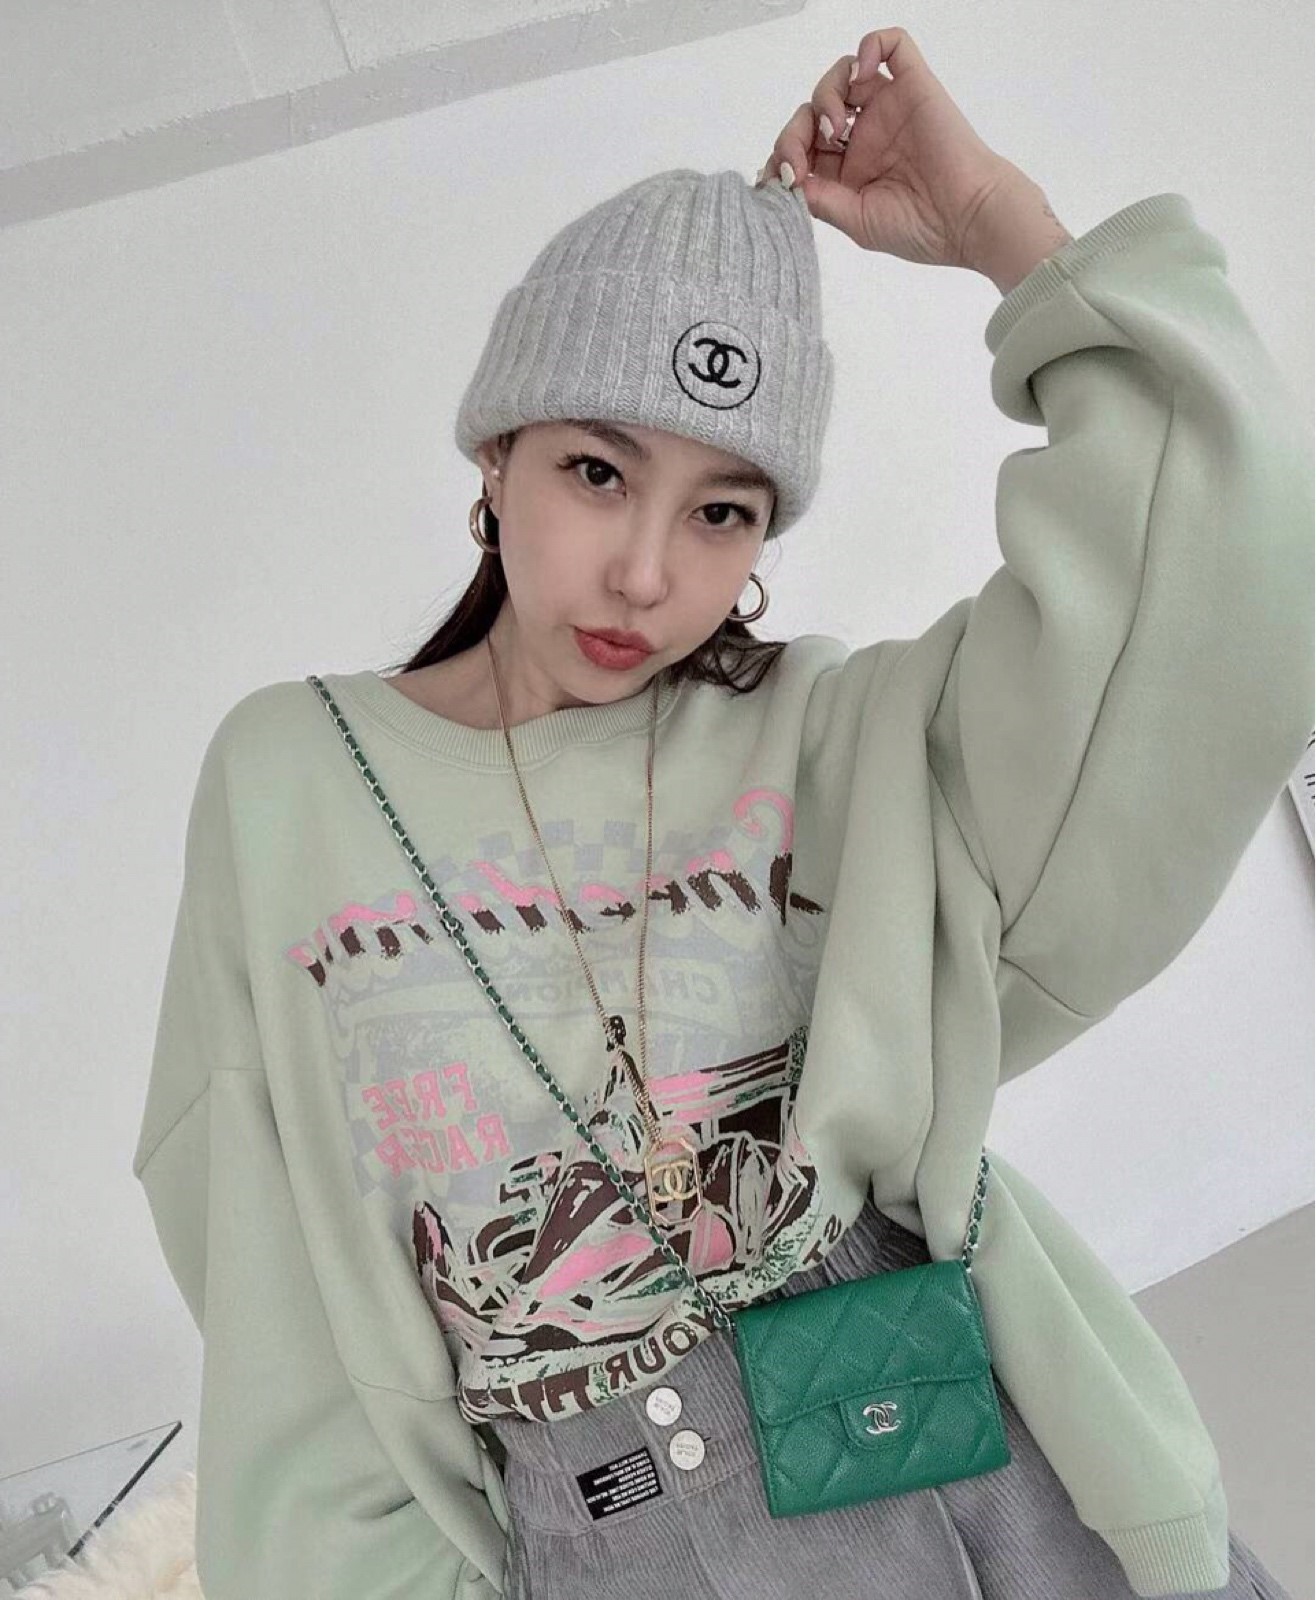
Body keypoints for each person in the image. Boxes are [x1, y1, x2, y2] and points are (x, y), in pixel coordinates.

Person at [132, 25, 1312, 1600]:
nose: (644, 572)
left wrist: (1001, 227)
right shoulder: (290, 780)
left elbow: (1220, 599)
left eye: (723, 509)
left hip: (967, 1473)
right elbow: (272, 1279)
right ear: (498, 451)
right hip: (603, 1523)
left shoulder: (827, 737)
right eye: (597, 471)